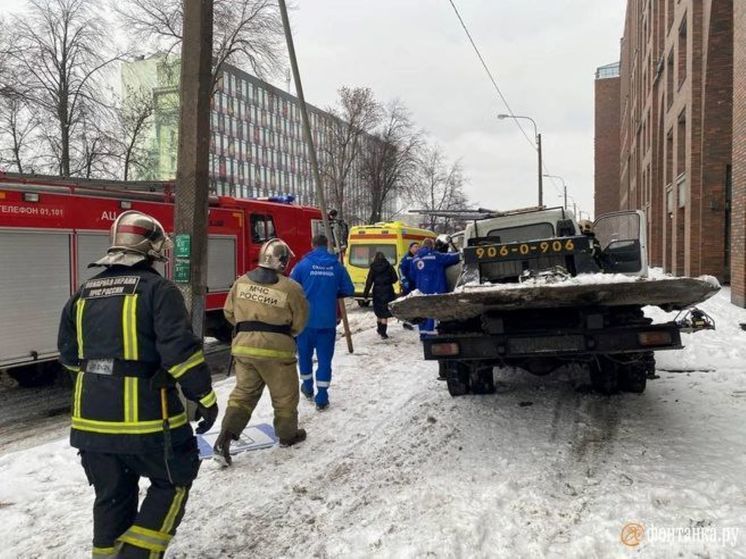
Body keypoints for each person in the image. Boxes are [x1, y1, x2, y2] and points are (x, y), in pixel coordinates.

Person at [57, 210, 218, 559]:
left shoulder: (82, 293)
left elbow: (69, 357)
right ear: (151, 247)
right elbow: (181, 354)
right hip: (149, 423)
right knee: (174, 481)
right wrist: (204, 397)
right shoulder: (159, 290)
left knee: (112, 497)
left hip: (90, 427)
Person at [214, 239, 309, 464]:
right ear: (283, 262)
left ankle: (223, 440)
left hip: (244, 347)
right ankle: (287, 436)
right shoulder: (291, 287)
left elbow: (229, 312)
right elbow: (300, 321)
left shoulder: (241, 283)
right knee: (285, 396)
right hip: (277, 352)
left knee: (243, 396)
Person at [290, 234, 354, 410]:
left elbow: (290, 288)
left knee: (304, 355)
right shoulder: (337, 267)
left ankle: (308, 387)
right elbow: (349, 289)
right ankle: (323, 396)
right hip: (327, 321)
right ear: (327, 245)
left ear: (312, 244)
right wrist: (333, 293)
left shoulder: (302, 265)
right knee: (325, 359)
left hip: (305, 321)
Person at [410, 237, 461, 339]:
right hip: (435, 289)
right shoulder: (435, 256)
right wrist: (460, 253)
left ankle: (423, 334)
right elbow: (452, 258)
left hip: (421, 290)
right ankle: (431, 335)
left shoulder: (415, 258)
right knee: (433, 312)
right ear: (432, 246)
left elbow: (412, 275)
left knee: (423, 311)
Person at [363, 252, 399, 339]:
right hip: (388, 290)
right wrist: (389, 281)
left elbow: (369, 282)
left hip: (377, 291)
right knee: (385, 312)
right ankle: (383, 333)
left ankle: (379, 329)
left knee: (379, 310)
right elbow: (395, 279)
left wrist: (365, 295)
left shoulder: (373, 267)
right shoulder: (389, 266)